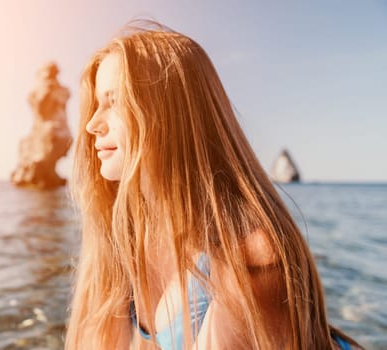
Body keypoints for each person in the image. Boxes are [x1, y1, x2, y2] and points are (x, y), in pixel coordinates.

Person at [65, 21, 362, 350]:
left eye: (115, 101)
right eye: (96, 105)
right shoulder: (125, 231)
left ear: (170, 111)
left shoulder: (251, 254)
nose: (92, 124)